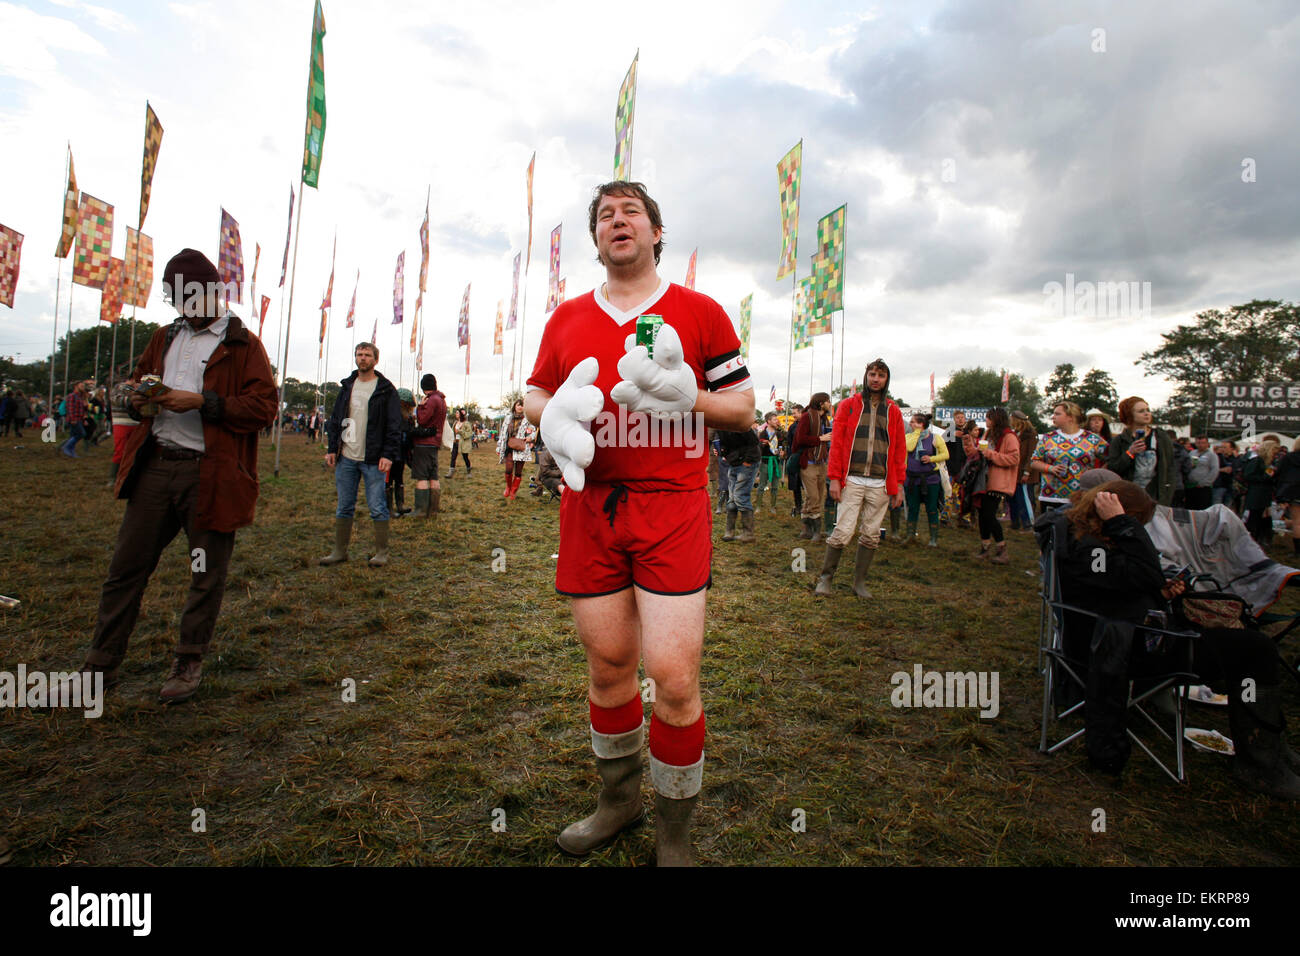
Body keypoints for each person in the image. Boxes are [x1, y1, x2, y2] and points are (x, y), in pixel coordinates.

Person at [524, 180, 754, 865]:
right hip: (590, 506)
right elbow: (535, 392)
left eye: (631, 213)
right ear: (596, 239)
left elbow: (742, 408)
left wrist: (694, 401)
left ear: (657, 232)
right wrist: (550, 418)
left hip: (672, 507)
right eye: (604, 215)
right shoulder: (566, 318)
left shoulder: (700, 311)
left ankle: (674, 836)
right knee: (609, 669)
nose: (616, 222)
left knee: (675, 678)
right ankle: (619, 802)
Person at [66, 248, 277, 703]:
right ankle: (99, 665)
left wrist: (204, 403)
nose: (182, 306)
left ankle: (188, 660)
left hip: (212, 476)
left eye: (189, 297)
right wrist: (136, 397)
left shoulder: (244, 344)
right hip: (155, 469)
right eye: (175, 298)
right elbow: (136, 381)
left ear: (213, 293)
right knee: (125, 570)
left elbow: (264, 408)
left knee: (204, 573)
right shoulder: (164, 337)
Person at [1036, 480, 1300, 797]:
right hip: (1127, 649)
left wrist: (1158, 592)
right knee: (1256, 650)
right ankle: (1261, 763)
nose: (1141, 531)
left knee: (1246, 638)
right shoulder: (1090, 549)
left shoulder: (1083, 539)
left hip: (1125, 636)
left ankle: (1270, 746)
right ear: (1118, 515)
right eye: (1138, 523)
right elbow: (1142, 573)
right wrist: (1125, 527)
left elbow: (1119, 587)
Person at [817, 360, 905, 598]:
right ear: (866, 376)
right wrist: (834, 478)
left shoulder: (893, 411)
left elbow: (898, 449)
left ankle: (859, 583)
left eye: (881, 375)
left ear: (887, 380)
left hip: (881, 482)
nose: (876, 379)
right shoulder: (848, 406)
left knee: (871, 533)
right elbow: (836, 445)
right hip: (852, 479)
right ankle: (825, 579)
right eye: (872, 374)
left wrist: (899, 483)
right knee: (843, 531)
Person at [321, 342, 401, 567]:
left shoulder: (385, 389)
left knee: (377, 506)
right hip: (346, 457)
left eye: (367, 355)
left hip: (374, 458)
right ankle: (339, 551)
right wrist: (331, 449)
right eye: (359, 354)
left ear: (375, 359)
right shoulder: (348, 386)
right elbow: (335, 420)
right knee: (344, 505)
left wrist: (388, 454)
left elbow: (394, 424)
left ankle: (382, 553)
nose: (363, 358)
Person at [1030, 400, 1107, 510]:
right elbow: (1034, 461)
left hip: (1082, 497)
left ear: (1071, 417)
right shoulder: (1048, 438)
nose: (1053, 417)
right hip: (1051, 497)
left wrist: (1096, 476)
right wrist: (1050, 468)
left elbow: (1110, 458)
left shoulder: (1092, 439)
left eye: (1057, 414)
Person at [966, 407, 1020, 563]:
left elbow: (1014, 459)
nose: (986, 420)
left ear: (996, 419)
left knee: (989, 515)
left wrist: (990, 454)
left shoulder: (1009, 437)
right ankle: (985, 547)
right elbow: (981, 452)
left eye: (989, 418)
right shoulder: (988, 434)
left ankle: (1002, 549)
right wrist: (971, 448)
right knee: (982, 514)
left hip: (998, 482)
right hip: (984, 480)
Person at [1105, 396, 1174, 505]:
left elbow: (1170, 467)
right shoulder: (1119, 441)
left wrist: (1167, 494)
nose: (1146, 414)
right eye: (1141, 411)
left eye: (1148, 410)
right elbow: (1113, 468)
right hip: (1128, 496)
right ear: (1130, 415)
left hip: (1155, 496)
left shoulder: (1160, 437)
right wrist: (1130, 453)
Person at [902, 412, 947, 546]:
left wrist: (931, 458)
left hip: (930, 479)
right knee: (913, 508)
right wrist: (917, 433)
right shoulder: (908, 437)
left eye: (913, 422)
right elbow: (909, 447)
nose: (910, 424)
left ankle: (933, 539)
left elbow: (945, 454)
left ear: (921, 424)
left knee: (931, 508)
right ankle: (910, 536)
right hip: (912, 479)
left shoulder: (935, 438)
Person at [791, 392, 832, 542]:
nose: (829, 404)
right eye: (828, 401)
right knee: (814, 496)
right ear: (821, 403)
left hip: (821, 462)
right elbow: (800, 439)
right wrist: (820, 439)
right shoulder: (807, 417)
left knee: (817, 496)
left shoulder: (824, 419)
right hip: (808, 462)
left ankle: (806, 529)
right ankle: (816, 531)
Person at [718, 423, 760, 543]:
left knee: (740, 496)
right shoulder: (720, 426)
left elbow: (754, 441)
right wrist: (723, 452)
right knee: (732, 499)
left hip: (747, 463)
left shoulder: (739, 423)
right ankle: (729, 531)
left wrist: (748, 461)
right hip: (734, 463)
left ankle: (748, 533)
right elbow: (724, 443)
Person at [411, 373, 446, 517]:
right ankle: (433, 510)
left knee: (422, 477)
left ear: (423, 387)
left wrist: (420, 407)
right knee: (433, 477)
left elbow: (423, 420)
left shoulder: (431, 400)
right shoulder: (442, 400)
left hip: (424, 442)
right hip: (435, 442)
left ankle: (420, 510)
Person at [1243, 439, 1280, 547]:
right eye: (1274, 451)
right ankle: (1250, 540)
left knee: (1260, 517)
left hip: (1264, 494)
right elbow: (1248, 476)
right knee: (1253, 518)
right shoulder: (1257, 460)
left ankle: (1259, 540)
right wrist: (1265, 477)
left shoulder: (1270, 462)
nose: (1275, 454)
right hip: (1256, 494)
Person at [497, 399, 536, 499]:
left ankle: (513, 491)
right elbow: (502, 433)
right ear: (515, 406)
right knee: (508, 469)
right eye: (518, 405)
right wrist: (499, 446)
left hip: (521, 446)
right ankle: (508, 487)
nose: (520, 407)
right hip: (509, 446)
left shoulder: (528, 419)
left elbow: (534, 431)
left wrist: (530, 437)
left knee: (518, 471)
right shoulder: (508, 418)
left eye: (522, 405)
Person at [388, 387, 417, 519]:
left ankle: (400, 506)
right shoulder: (392, 415)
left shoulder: (408, 418)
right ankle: (388, 508)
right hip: (391, 452)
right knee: (388, 481)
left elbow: (409, 434)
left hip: (401, 452)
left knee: (399, 478)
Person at [1008, 410, 1038, 531]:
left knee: (1024, 498)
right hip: (1015, 472)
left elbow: (1032, 455)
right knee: (1012, 498)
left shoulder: (1030, 434)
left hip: (1025, 473)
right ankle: (1015, 522)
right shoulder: (1015, 433)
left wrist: (1027, 471)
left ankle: (1028, 523)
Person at [754, 411, 785, 514]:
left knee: (775, 486)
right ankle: (758, 506)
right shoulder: (762, 433)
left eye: (777, 419)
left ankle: (773, 506)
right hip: (766, 462)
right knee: (762, 485)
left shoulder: (779, 433)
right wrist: (763, 445)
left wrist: (781, 451)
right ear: (768, 421)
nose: (777, 421)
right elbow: (758, 448)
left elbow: (781, 445)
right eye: (774, 419)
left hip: (776, 462)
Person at [1274, 438, 1300, 557]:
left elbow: (1279, 473)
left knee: (1297, 523)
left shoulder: (1289, 457)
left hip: (1294, 492)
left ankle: (1298, 551)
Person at [59, 379, 92, 458]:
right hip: (74, 419)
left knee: (73, 435)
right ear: (76, 386)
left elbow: (82, 409)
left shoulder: (80, 397)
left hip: (79, 419)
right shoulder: (72, 396)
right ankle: (66, 447)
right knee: (81, 434)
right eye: (81, 386)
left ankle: (71, 451)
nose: (83, 387)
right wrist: (73, 419)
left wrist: (84, 419)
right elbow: (70, 408)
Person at [1213, 440, 1239, 510]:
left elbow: (1235, 469)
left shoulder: (1235, 459)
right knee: (1216, 508)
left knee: (1227, 509)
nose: (1223, 449)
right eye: (1222, 447)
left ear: (1232, 448)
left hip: (1230, 487)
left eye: (1225, 447)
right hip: (1219, 485)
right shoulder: (1217, 457)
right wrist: (1221, 470)